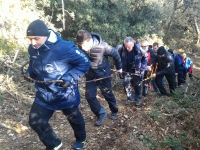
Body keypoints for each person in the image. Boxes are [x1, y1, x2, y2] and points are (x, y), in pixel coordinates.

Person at [25, 20, 90, 150]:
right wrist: (29, 73)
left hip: (65, 94)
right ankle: (54, 144)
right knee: (35, 121)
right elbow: (33, 64)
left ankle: (81, 139)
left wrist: (70, 77)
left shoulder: (65, 48)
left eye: (36, 39)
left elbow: (85, 62)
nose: (33, 43)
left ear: (45, 35)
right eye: (30, 39)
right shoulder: (33, 49)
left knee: (74, 119)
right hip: (44, 94)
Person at [76, 30, 122, 126]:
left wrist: (119, 68)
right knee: (89, 96)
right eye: (80, 45)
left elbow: (116, 54)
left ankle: (114, 110)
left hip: (103, 76)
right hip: (90, 76)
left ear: (89, 41)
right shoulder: (80, 48)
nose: (82, 48)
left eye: (83, 45)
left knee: (108, 94)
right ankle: (100, 113)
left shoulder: (103, 46)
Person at [118, 37, 148, 106]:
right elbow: (117, 58)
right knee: (126, 83)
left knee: (138, 85)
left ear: (133, 44)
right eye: (126, 47)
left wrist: (143, 68)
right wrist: (119, 68)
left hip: (137, 71)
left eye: (129, 47)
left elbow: (145, 57)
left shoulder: (139, 50)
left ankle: (138, 99)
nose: (127, 49)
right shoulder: (121, 49)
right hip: (126, 70)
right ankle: (130, 97)